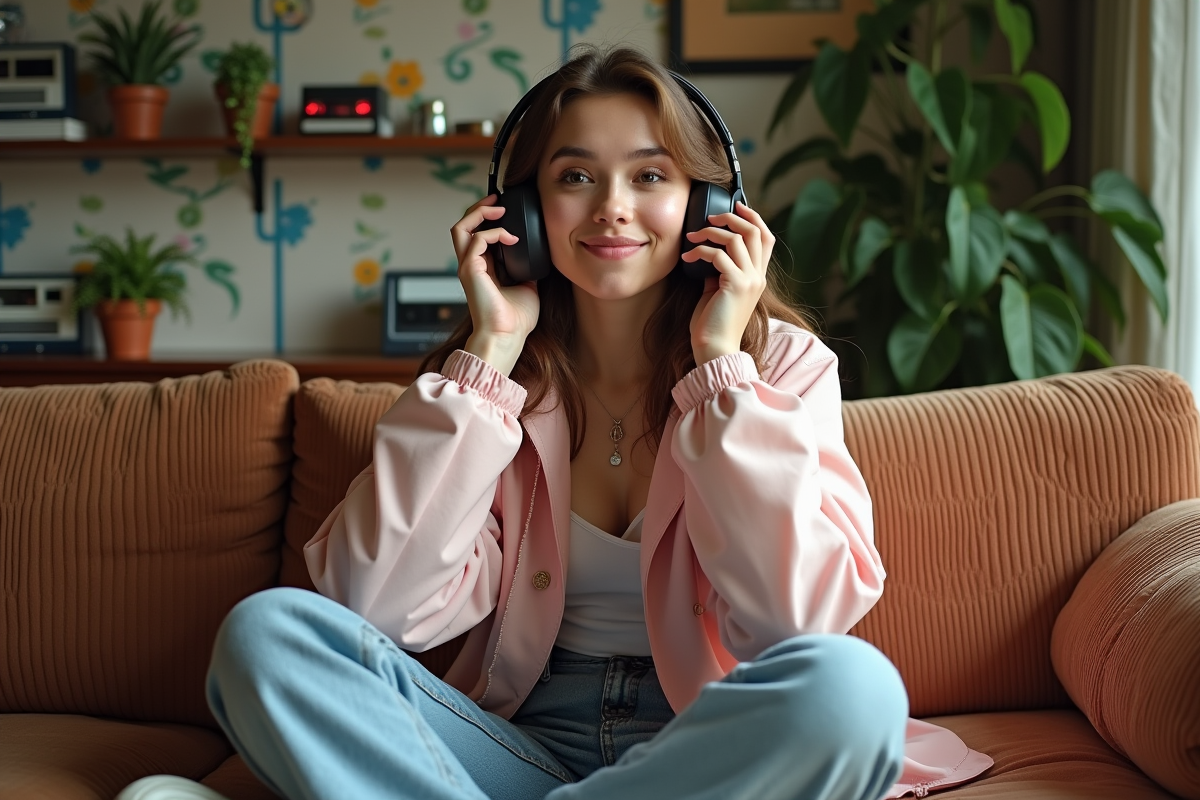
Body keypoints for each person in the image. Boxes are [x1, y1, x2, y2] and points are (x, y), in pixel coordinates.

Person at [120, 45, 989, 800]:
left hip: (710, 751)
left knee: (853, 687)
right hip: (513, 752)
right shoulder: (482, 387)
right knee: (267, 635)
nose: (612, 206)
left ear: (711, 207)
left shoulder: (784, 371)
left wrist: (722, 369)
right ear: (525, 211)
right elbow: (369, 607)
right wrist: (491, 353)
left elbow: (799, 618)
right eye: (575, 177)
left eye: (651, 176)